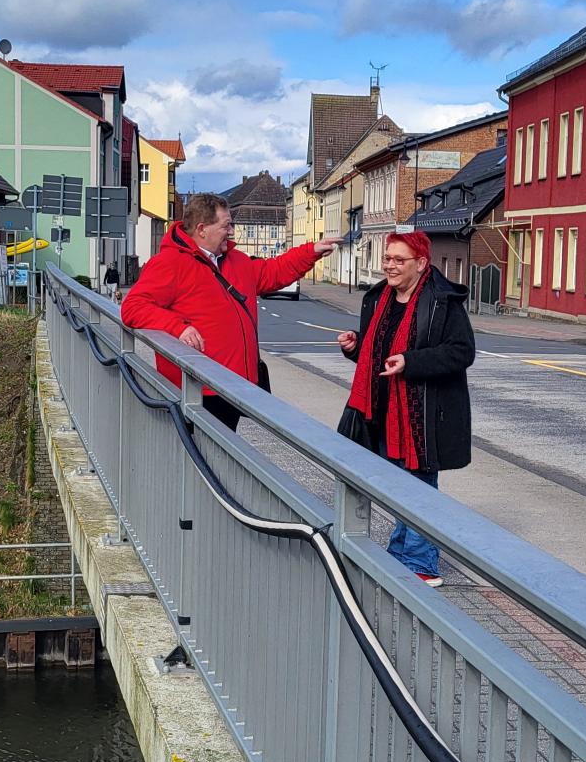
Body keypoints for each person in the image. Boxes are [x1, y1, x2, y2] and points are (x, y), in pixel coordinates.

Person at [121, 193, 340, 431]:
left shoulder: (235, 261)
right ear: (202, 229)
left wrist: (312, 252)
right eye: (226, 225)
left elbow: (273, 272)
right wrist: (178, 327)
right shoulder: (171, 262)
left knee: (221, 458)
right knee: (201, 459)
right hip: (198, 388)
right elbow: (134, 307)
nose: (232, 231)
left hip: (232, 386)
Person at [336, 231, 474, 588]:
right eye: (387, 258)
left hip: (422, 415)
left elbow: (462, 352)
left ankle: (421, 564)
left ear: (421, 264)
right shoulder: (379, 298)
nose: (389, 266)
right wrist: (355, 347)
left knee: (419, 486)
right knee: (398, 487)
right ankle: (401, 552)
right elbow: (374, 352)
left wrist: (411, 362)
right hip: (380, 411)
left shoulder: (443, 302)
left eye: (399, 260)